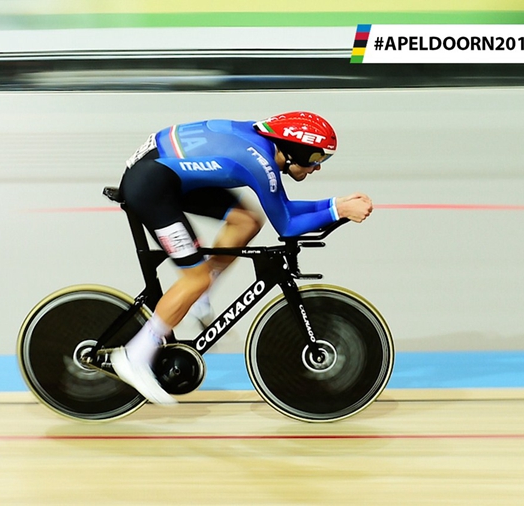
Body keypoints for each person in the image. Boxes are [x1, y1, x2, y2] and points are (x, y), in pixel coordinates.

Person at [111, 111, 373, 405]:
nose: (317, 168)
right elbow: (286, 225)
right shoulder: (259, 161)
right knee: (194, 278)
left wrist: (336, 203)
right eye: (315, 158)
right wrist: (339, 212)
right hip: (151, 185)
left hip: (166, 174)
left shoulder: (261, 144)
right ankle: (135, 355)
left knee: (246, 221)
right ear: (295, 148)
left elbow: (282, 207)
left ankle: (198, 296)